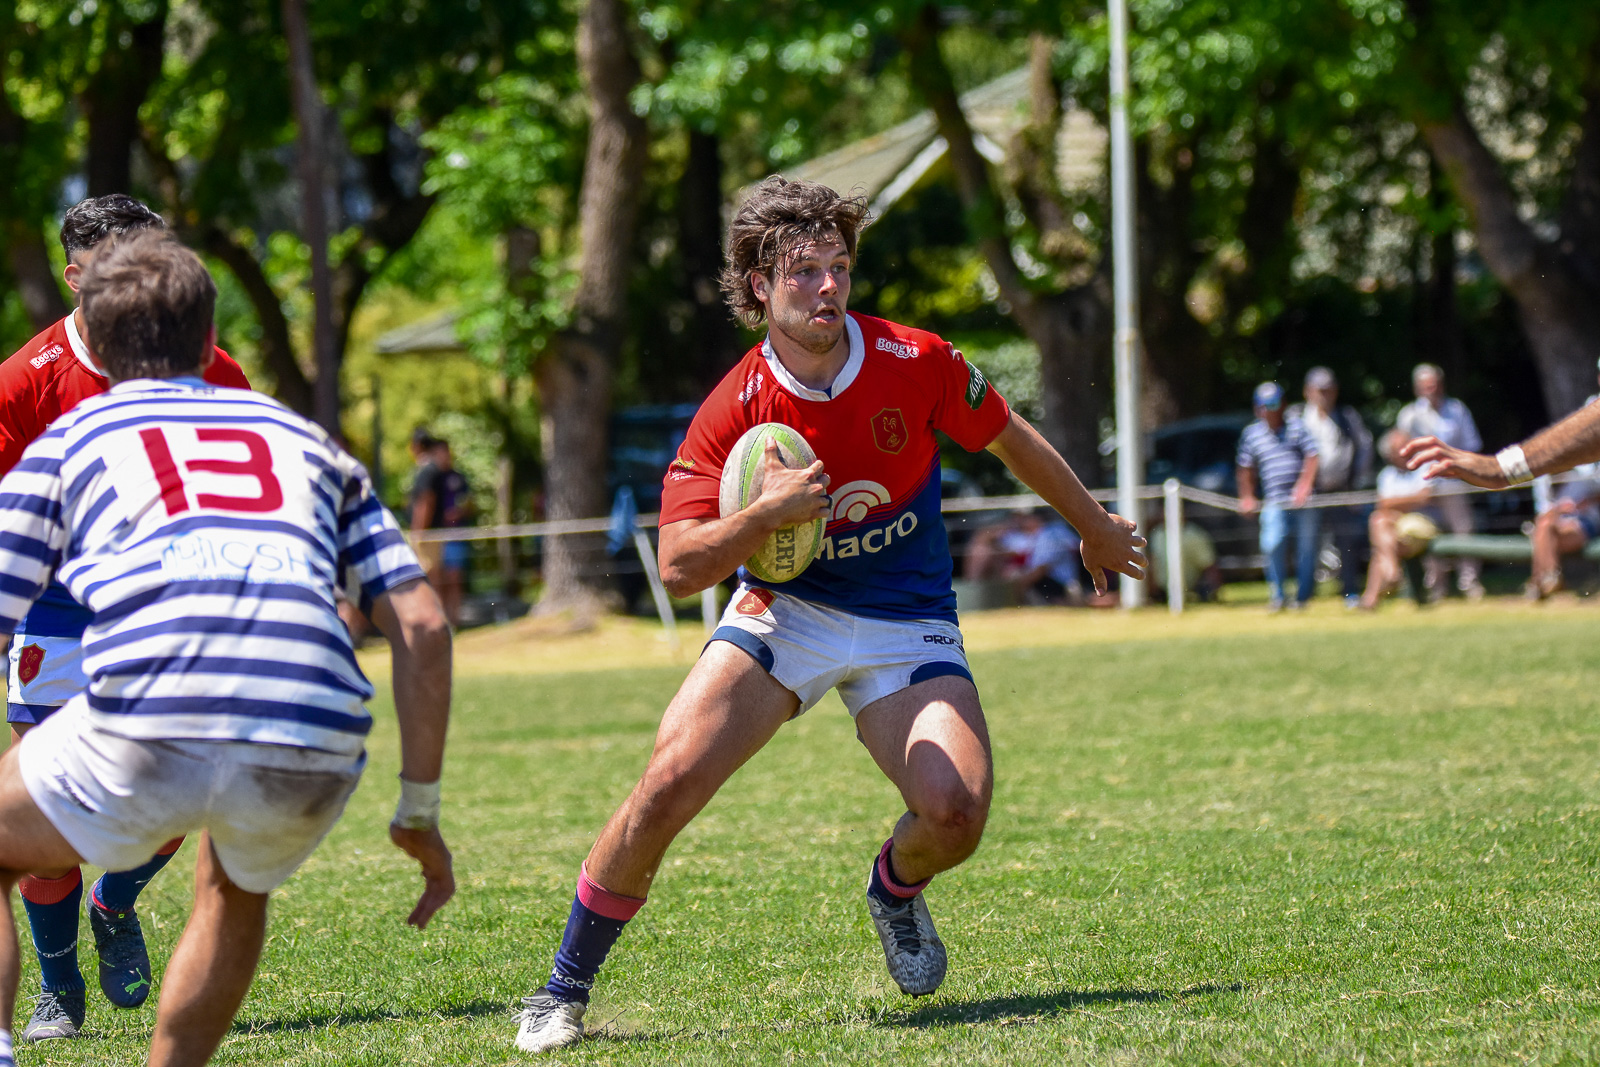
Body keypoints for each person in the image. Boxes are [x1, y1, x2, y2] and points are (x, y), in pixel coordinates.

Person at [513, 176, 1146, 1053]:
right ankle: (561, 988)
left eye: (838, 267)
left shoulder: (914, 360)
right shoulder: (735, 406)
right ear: (760, 286)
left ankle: (894, 888)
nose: (827, 287)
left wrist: (1093, 524)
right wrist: (764, 516)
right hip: (787, 612)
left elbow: (1006, 433)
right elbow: (679, 562)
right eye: (803, 271)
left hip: (907, 618)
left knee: (956, 813)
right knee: (666, 782)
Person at [0, 231, 455, 1067]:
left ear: (98, 343)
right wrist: (418, 810)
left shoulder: (71, 438)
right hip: (315, 734)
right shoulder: (306, 440)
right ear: (210, 341)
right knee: (233, 885)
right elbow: (423, 625)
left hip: (153, 712)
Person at [0, 194, 252, 1042]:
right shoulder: (24, 381)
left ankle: (116, 899)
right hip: (54, 611)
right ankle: (58, 988)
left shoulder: (208, 365)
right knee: (44, 805)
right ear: (76, 278)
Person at [1396, 364, 1485, 599]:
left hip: (1454, 483)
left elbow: (1472, 445)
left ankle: (1469, 583)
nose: (1431, 390)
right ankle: (1436, 586)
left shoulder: (1457, 410)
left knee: (1463, 531)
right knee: (1427, 532)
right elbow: (1401, 452)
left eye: (1434, 385)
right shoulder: (1408, 415)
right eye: (1426, 386)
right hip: (1423, 486)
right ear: (1417, 388)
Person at [1288, 367, 1373, 603]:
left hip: (1342, 489)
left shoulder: (1346, 416)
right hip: (1310, 492)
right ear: (1308, 391)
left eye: (1329, 390)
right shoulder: (1297, 417)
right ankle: (1304, 594)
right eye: (1320, 390)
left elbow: (1364, 447)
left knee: (1347, 541)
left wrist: (1356, 483)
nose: (1325, 395)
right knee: (1307, 543)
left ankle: (1350, 590)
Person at [1236, 382, 1319, 611]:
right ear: (1257, 408)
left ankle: (1302, 598)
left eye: (1273, 404)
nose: (1268, 409)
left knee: (1307, 548)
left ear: (1283, 404)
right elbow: (1245, 468)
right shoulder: (1251, 434)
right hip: (1273, 500)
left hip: (1304, 501)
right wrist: (1247, 496)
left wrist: (1304, 485)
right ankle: (1278, 596)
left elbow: (1312, 456)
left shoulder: (1297, 427)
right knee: (1271, 544)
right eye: (1263, 405)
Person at [1359, 430, 1441, 610]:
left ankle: (1376, 592)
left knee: (1381, 544)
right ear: (1390, 454)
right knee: (1380, 523)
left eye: (1407, 447)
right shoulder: (1387, 475)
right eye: (1400, 449)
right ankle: (1390, 575)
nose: (1405, 452)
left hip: (1421, 526)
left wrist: (1395, 503)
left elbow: (1424, 498)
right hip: (1395, 526)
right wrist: (1409, 500)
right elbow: (1383, 504)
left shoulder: (1425, 467)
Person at [433, 439, 472, 625]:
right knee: (438, 580)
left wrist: (459, 513)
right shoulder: (431, 479)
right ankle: (441, 621)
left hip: (455, 535)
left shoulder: (459, 478)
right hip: (435, 536)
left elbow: (469, 504)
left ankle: (454, 620)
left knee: (454, 578)